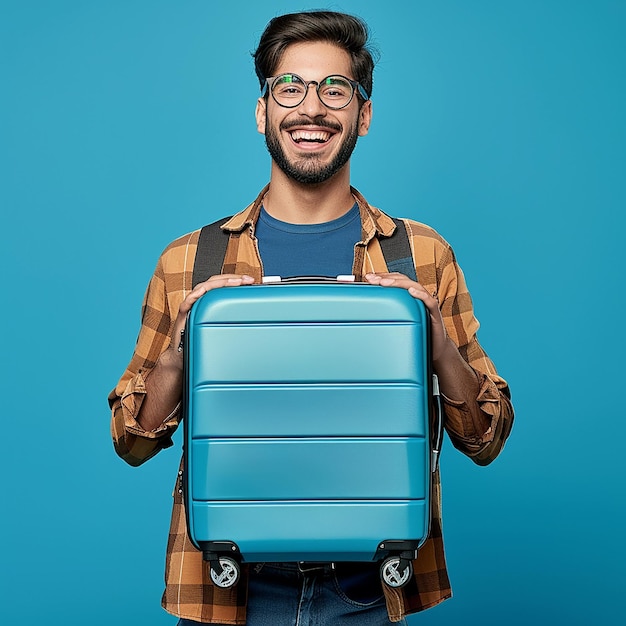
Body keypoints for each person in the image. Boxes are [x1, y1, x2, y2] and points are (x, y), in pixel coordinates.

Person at [109, 10, 514, 625]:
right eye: (290, 88)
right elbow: (131, 442)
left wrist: (435, 342)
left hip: (369, 591)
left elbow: (486, 437)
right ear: (263, 110)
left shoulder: (421, 257)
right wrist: (181, 353)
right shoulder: (190, 261)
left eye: (336, 89)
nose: (312, 108)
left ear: (364, 115)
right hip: (233, 591)